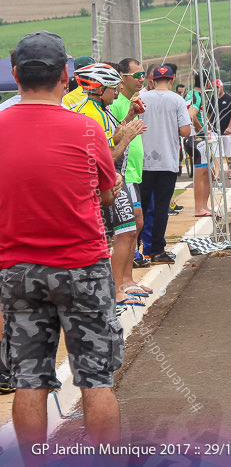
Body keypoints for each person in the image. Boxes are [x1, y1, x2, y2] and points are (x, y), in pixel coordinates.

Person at [0, 32, 123, 452]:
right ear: (65, 76)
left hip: (17, 270)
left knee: (28, 379)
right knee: (97, 378)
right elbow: (106, 196)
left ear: (16, 75)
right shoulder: (86, 128)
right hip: (82, 267)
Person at [70, 63, 148, 302]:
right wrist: (128, 138)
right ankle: (116, 289)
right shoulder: (91, 113)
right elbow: (108, 154)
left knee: (127, 231)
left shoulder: (100, 109)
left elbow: (111, 137)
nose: (117, 92)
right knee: (124, 233)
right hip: (106, 181)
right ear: (99, 88)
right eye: (113, 88)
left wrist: (128, 120)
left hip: (112, 178)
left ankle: (122, 284)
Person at [107, 58, 152, 297]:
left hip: (132, 171)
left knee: (134, 227)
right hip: (122, 174)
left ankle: (128, 278)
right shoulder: (114, 103)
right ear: (122, 78)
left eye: (143, 73)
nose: (141, 78)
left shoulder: (126, 101)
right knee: (128, 228)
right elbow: (114, 137)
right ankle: (120, 283)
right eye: (137, 74)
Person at [139, 65, 192, 266]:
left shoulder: (143, 99)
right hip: (168, 161)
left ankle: (138, 249)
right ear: (172, 79)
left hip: (144, 161)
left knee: (141, 208)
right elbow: (185, 131)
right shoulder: (177, 100)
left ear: (152, 80)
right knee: (162, 207)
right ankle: (157, 250)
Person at [185, 71, 215, 217]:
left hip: (197, 138)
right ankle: (199, 207)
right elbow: (191, 114)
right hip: (197, 138)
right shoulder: (197, 95)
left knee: (208, 172)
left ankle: (204, 206)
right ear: (207, 83)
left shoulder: (192, 93)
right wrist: (200, 127)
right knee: (201, 173)